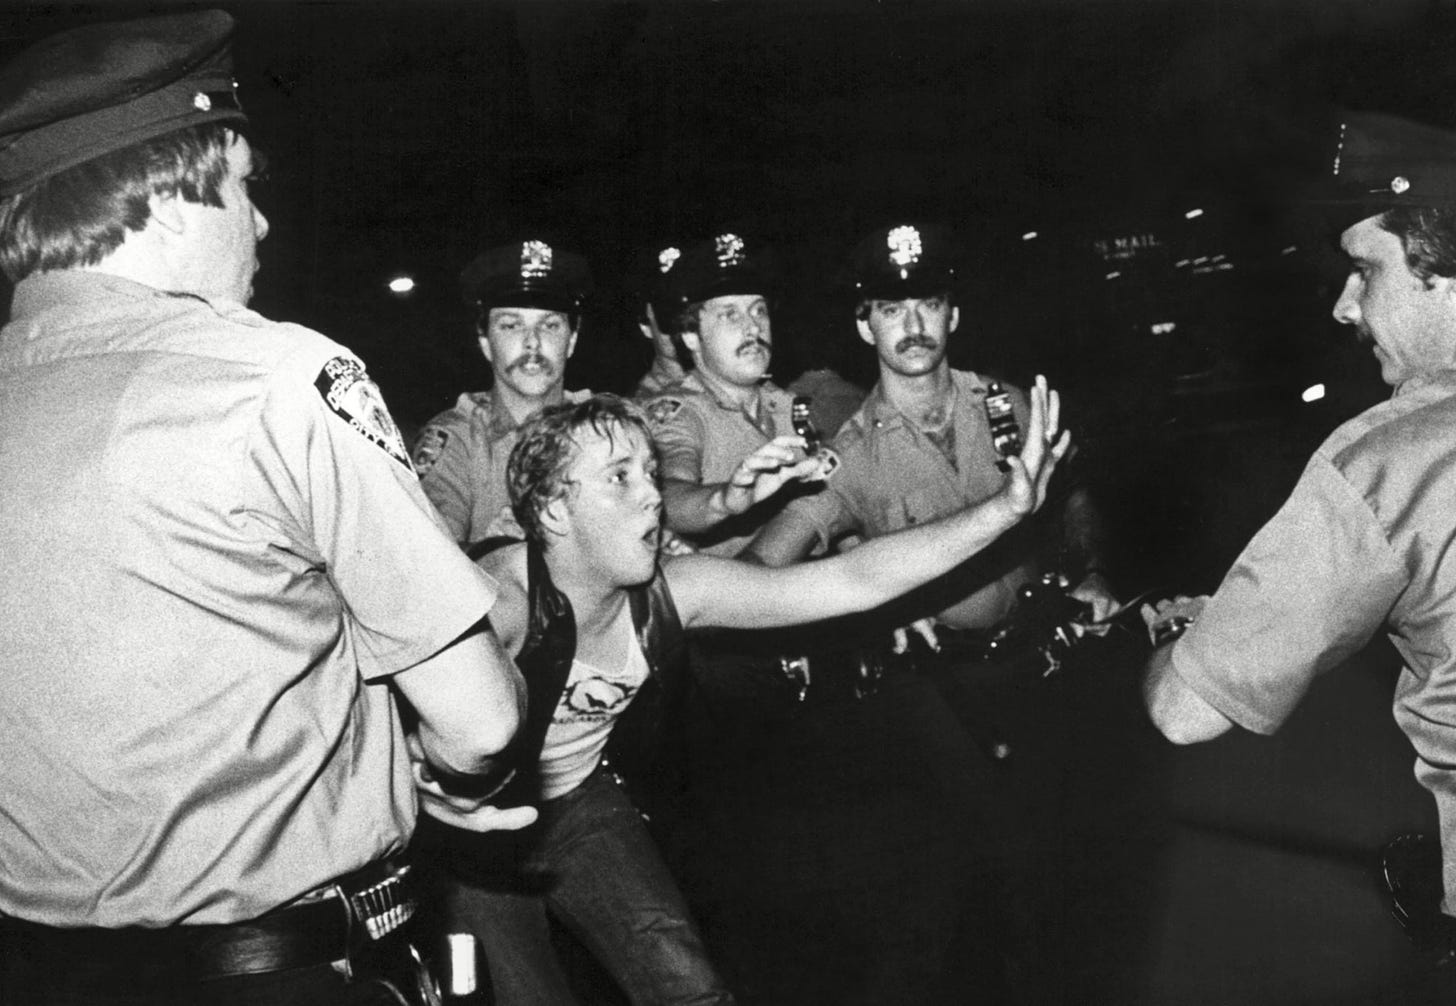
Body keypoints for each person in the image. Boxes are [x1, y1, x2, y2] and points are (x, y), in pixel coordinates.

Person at [0, 12, 527, 1005]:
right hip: (284, 974)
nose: (264, 223)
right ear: (164, 203)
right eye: (243, 188)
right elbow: (480, 723)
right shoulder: (276, 378)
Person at [415, 384, 1070, 1005]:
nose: (651, 497)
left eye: (649, 473)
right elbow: (371, 673)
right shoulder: (498, 598)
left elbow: (854, 580)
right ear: (556, 510)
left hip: (583, 805)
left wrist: (1004, 509)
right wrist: (408, 775)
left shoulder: (677, 593)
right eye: (620, 477)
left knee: (692, 989)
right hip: (479, 830)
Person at [1141, 112, 1456, 961]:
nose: (1343, 303)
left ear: (1445, 271)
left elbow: (1185, 713)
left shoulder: (1388, 461)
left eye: (1365, 269)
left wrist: (1178, 638)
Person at [745, 221, 1117, 646]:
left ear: (953, 315)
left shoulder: (1008, 405)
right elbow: (758, 567)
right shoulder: (850, 456)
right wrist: (871, 608)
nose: (914, 324)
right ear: (866, 327)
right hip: (946, 670)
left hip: (1048, 640)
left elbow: (1074, 496)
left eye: (929, 304)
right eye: (891, 309)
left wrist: (1094, 575)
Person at [644, 232, 826, 556]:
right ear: (690, 336)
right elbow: (669, 494)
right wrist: (724, 500)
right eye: (731, 315)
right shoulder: (680, 412)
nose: (753, 328)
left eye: (759, 311)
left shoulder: (787, 407)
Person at [412, 237, 593, 545]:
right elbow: (431, 555)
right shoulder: (458, 438)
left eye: (550, 326)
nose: (532, 343)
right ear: (485, 342)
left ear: (572, 340)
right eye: (511, 326)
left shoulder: (603, 429)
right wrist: (492, 549)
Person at [630, 240, 690, 400]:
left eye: (690, 311)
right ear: (645, 325)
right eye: (670, 315)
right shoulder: (648, 409)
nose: (683, 326)